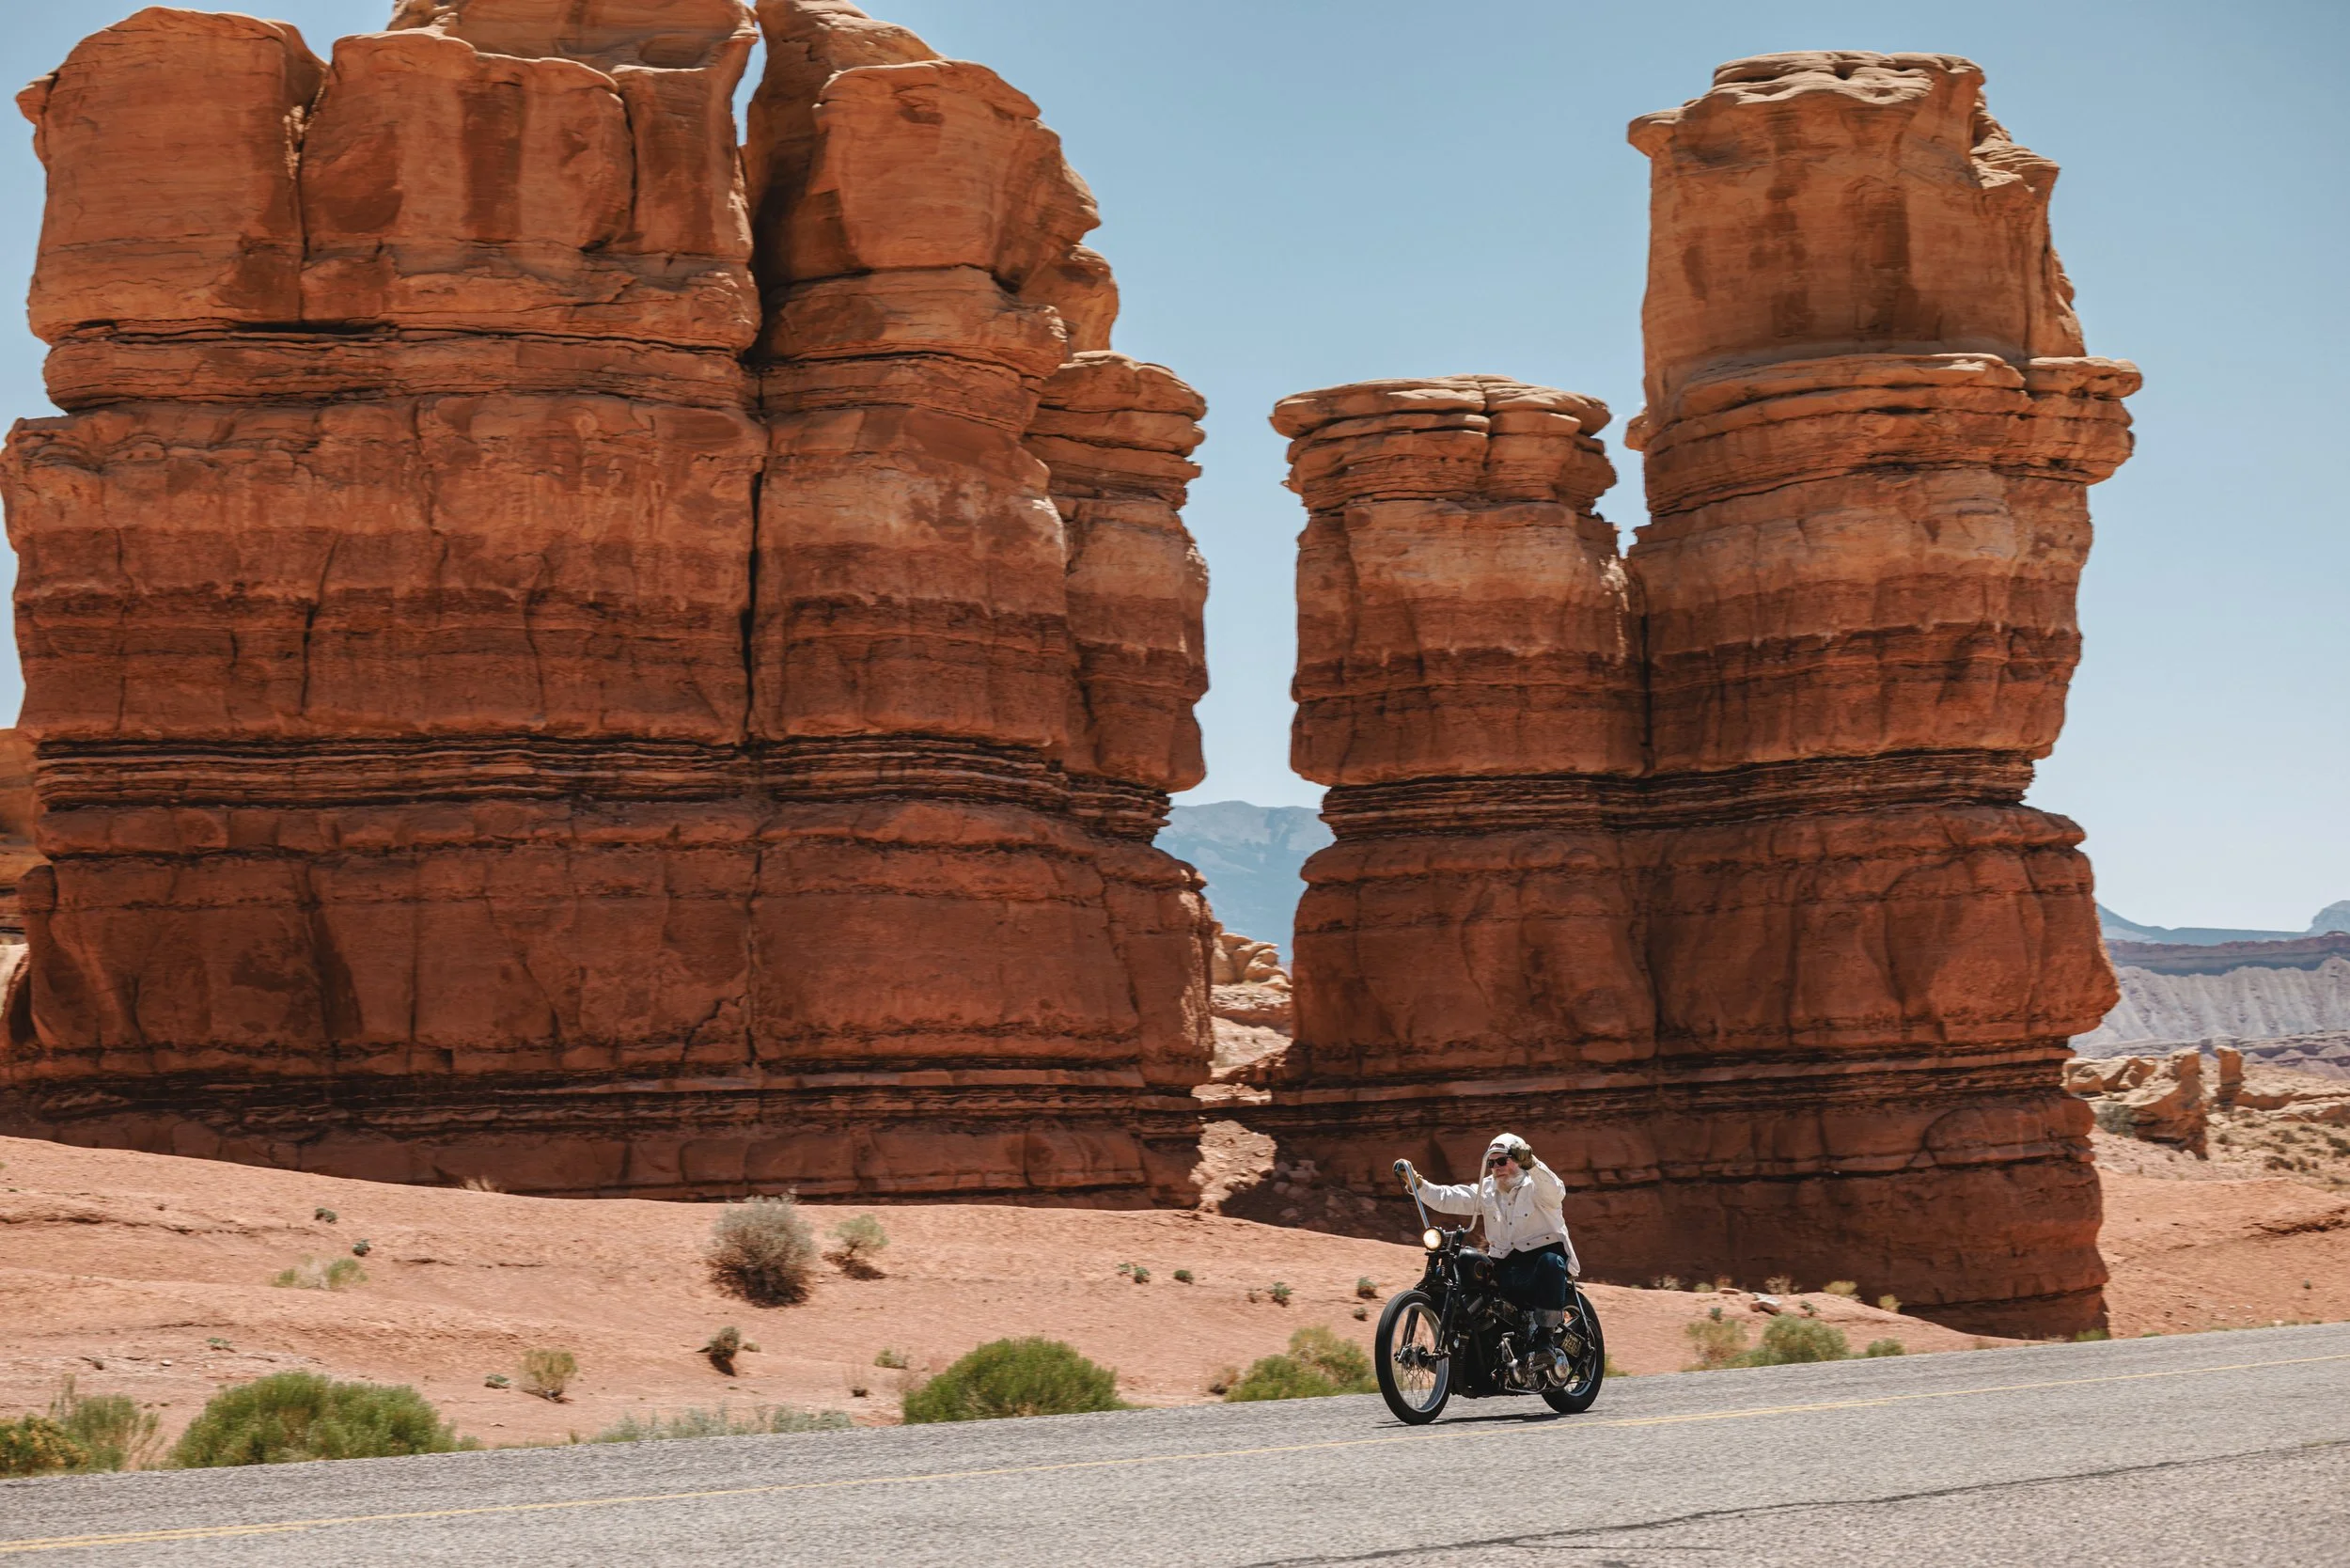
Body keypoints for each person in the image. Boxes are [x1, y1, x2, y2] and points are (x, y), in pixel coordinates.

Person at [1399, 1133, 1581, 1366]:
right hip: (1505, 1263)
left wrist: (1532, 1163)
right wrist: (1418, 1184)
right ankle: (1462, 1347)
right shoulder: (1487, 1190)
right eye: (1491, 1163)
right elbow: (1449, 1197)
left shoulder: (1536, 1184)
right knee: (1463, 1265)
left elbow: (1556, 1192)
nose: (1496, 1168)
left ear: (1519, 1160)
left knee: (1550, 1262)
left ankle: (1545, 1341)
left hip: (1540, 1261)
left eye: (1502, 1161)